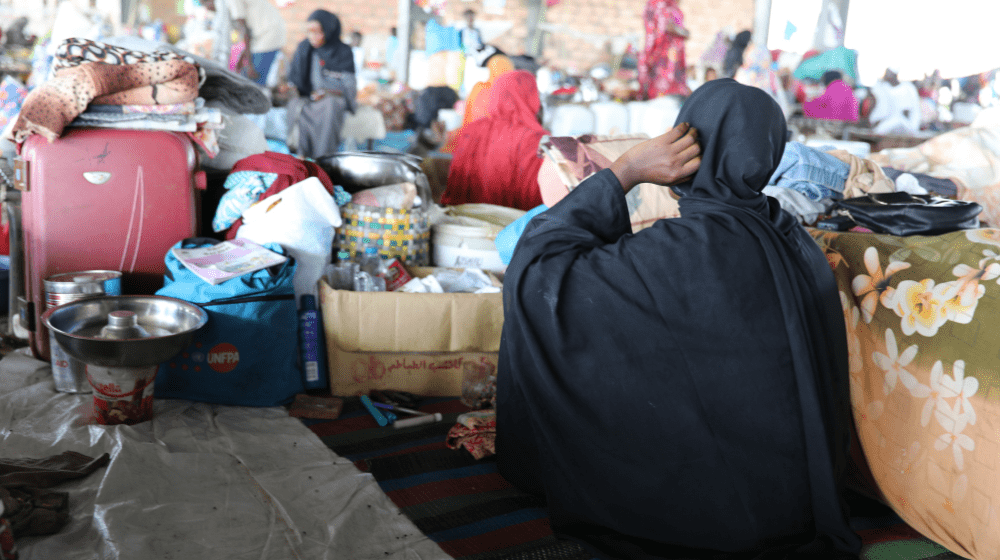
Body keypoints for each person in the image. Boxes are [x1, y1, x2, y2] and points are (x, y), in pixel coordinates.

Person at [496, 79, 861, 559]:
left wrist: (624, 172)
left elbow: (538, 273)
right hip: (795, 500)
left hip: (713, 516)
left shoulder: (679, 250)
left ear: (683, 146)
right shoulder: (793, 239)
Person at [442, 71, 548, 210]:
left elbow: (455, 184)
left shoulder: (472, 130)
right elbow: (540, 199)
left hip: (466, 221)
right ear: (532, 97)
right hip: (514, 227)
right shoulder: (535, 139)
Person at [287, 10, 356, 159]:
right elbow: (295, 79)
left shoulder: (343, 51)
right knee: (295, 105)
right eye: (309, 32)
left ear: (328, 30)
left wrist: (327, 92)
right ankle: (300, 155)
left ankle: (323, 158)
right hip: (310, 97)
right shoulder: (304, 48)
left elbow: (349, 84)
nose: (312, 37)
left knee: (330, 106)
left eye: (317, 32)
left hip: (332, 97)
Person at [201, 0, 285, 86]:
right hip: (261, 36)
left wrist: (249, 65)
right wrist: (243, 56)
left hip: (267, 34)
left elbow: (245, 29)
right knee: (245, 77)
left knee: (254, 81)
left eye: (205, 3)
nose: (206, 8)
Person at [638, 0, 691, 99]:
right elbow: (660, 29)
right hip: (662, 58)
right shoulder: (658, 5)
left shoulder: (674, 8)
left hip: (674, 58)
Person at [869, 67, 920, 135]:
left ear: (894, 74)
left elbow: (906, 113)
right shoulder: (883, 87)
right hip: (891, 124)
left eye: (888, 72)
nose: (886, 75)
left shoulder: (908, 88)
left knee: (894, 122)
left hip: (906, 125)